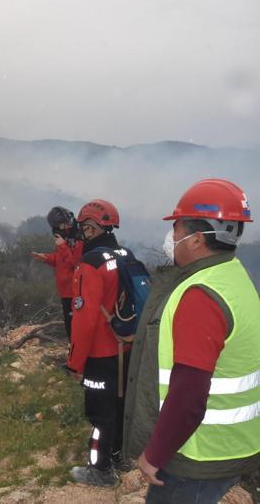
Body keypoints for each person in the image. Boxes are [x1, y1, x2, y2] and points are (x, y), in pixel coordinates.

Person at [124, 179, 259, 504]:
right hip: (231, 447)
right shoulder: (234, 277)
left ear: (197, 239)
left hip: (196, 457)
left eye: (176, 229)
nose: (171, 237)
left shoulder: (200, 295)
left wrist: (154, 454)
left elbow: (189, 393)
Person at [66, 199, 134, 487]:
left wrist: (74, 363)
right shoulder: (125, 254)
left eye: (84, 228)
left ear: (91, 228)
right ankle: (118, 455)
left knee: (99, 414)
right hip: (126, 347)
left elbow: (84, 321)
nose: (82, 234)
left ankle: (101, 470)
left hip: (101, 354)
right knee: (119, 407)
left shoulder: (91, 264)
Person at [32, 206, 84, 340]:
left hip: (75, 291)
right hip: (65, 291)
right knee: (69, 327)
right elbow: (61, 259)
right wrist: (46, 257)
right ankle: (72, 355)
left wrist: (62, 246)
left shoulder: (78, 237)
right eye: (63, 224)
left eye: (68, 221)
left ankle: (77, 358)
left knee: (76, 328)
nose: (67, 225)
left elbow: (75, 263)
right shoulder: (62, 236)